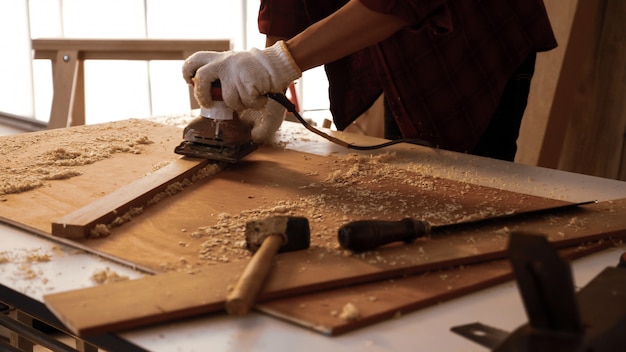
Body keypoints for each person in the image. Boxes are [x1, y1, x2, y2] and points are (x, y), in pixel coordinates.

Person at [182, 0, 557, 161]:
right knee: (403, 169)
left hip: (469, 39)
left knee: (466, 191)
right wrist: (263, 73)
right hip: (386, 30)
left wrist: (277, 63)